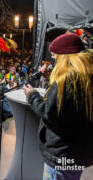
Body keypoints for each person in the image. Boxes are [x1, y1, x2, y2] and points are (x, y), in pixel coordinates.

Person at [22, 33, 93, 180]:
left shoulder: (64, 81)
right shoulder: (85, 75)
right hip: (77, 152)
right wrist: (51, 78)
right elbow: (68, 106)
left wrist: (31, 95)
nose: (52, 59)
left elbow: (50, 112)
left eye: (55, 56)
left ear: (64, 57)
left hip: (61, 154)